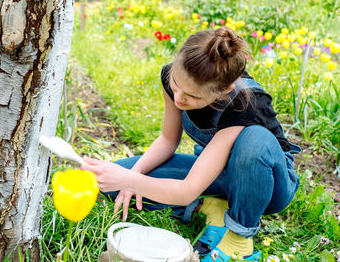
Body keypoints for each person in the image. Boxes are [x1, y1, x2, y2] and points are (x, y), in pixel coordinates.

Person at [82, 26, 301, 261]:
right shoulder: (173, 78)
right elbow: (168, 139)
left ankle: (238, 239)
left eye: (193, 96)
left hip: (265, 185)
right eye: (176, 85)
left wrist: (132, 180)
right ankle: (212, 206)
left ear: (223, 91)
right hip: (216, 173)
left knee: (254, 140)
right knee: (115, 187)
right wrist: (132, 176)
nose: (179, 98)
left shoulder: (245, 104)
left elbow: (186, 191)